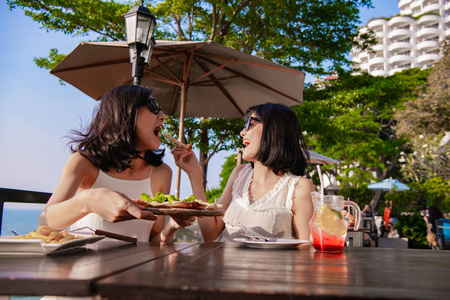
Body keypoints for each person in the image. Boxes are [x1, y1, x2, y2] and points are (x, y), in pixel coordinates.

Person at [39, 85, 194, 242]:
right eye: (153, 107)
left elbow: (153, 239)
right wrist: (89, 200)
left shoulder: (162, 172)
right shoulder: (83, 163)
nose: (162, 116)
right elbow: (46, 222)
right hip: (85, 265)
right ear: (126, 113)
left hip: (139, 266)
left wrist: (173, 226)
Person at [173, 103, 315, 242]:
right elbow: (210, 234)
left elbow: (305, 251)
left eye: (249, 124)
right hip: (226, 266)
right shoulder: (239, 174)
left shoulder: (298, 188)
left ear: (273, 130)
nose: (242, 132)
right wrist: (194, 172)